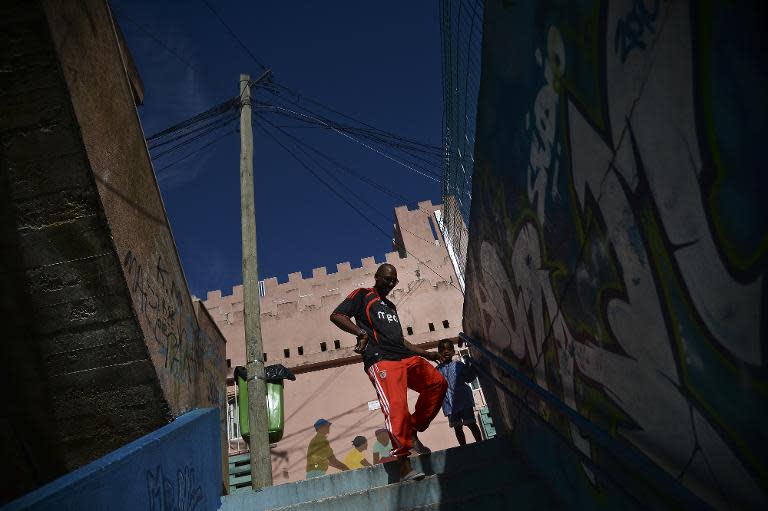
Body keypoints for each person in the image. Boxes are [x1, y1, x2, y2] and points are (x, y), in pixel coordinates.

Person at [330, 263, 448, 482]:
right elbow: (337, 315)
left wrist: (427, 354)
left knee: (437, 383)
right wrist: (360, 332)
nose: (391, 283)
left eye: (394, 280)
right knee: (397, 407)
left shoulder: (390, 306)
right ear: (376, 277)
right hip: (382, 359)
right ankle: (404, 465)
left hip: (403, 356)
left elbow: (400, 340)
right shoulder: (363, 295)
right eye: (387, 279)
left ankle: (412, 430)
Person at [435, 338, 483, 445]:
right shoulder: (437, 370)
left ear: (453, 352)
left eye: (449, 349)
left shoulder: (459, 365)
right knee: (457, 428)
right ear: (439, 353)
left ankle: (481, 443)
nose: (446, 351)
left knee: (471, 423)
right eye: (442, 349)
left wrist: (471, 366)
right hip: (449, 403)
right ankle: (463, 447)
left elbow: (468, 378)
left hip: (463, 400)